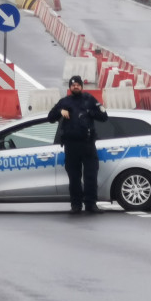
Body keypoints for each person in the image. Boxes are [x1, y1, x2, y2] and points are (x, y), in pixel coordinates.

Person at [47, 75, 108, 214]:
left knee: (90, 176)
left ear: (81, 86)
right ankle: (76, 205)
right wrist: (59, 112)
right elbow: (50, 117)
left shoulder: (89, 99)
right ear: (69, 87)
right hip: (71, 146)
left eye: (78, 84)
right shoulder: (64, 101)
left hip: (88, 145)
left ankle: (91, 204)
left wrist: (90, 112)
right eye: (73, 84)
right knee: (74, 177)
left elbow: (104, 117)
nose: (75, 86)